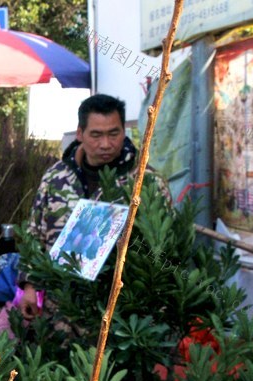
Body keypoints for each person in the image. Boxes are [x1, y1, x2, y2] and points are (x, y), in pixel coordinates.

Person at [19, 94, 169, 318]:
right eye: (96, 135)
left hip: (125, 312)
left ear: (123, 131)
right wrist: (29, 287)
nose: (106, 144)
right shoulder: (56, 177)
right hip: (63, 307)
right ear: (80, 133)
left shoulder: (146, 182)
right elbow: (34, 233)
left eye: (114, 133)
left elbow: (166, 244)